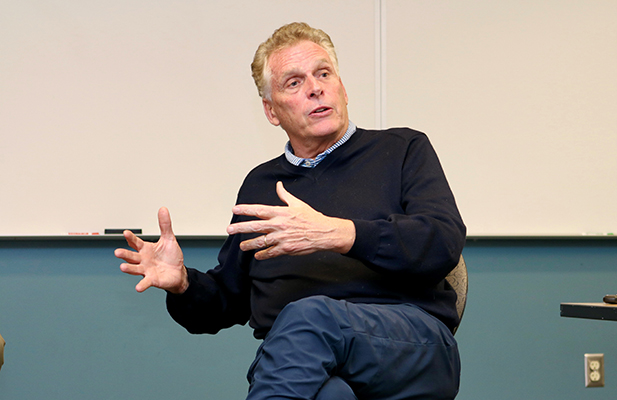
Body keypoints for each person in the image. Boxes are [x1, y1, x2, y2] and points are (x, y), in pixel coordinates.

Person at [115, 22, 466, 400]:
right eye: (294, 83)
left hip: (409, 345)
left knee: (309, 316)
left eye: (323, 73)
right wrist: (183, 283)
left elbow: (442, 242)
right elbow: (228, 299)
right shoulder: (261, 185)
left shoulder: (402, 150)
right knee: (327, 394)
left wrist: (340, 234)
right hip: (302, 359)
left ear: (342, 88)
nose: (315, 87)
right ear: (271, 111)